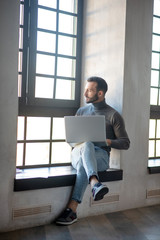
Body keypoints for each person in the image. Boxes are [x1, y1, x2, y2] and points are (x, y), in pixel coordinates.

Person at [55, 76, 130, 225]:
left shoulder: (113, 115)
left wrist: (105, 140)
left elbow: (125, 143)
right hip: (78, 152)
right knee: (86, 144)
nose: (85, 94)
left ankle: (72, 210)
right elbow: (72, 142)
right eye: (85, 90)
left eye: (89, 90)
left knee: (85, 160)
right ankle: (95, 183)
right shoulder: (81, 111)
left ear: (100, 93)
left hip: (101, 157)